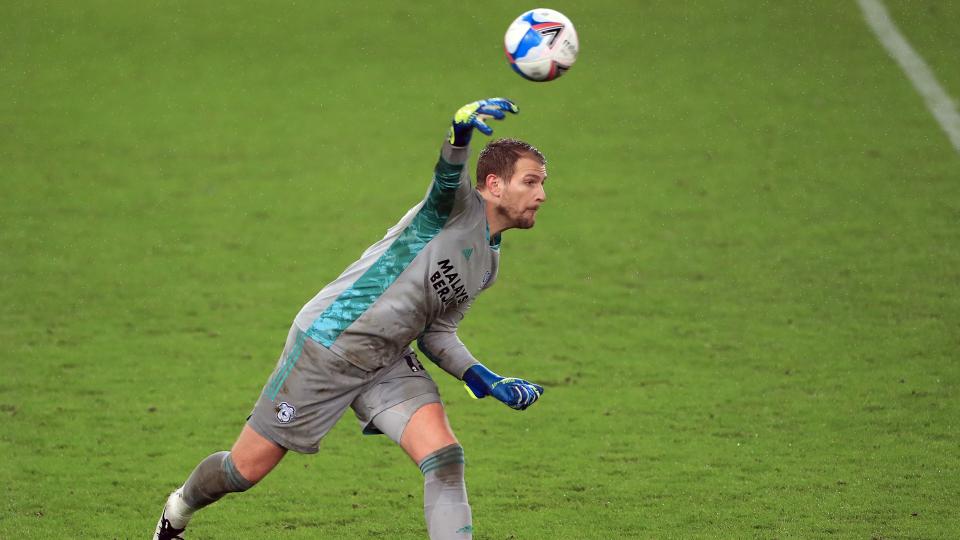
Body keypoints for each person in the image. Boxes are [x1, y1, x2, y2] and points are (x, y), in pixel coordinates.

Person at [153, 98, 548, 540]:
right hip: (331, 342)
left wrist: (484, 377)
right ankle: (177, 510)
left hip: (387, 359)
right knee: (244, 470)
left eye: (542, 184)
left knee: (445, 458)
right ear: (494, 184)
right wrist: (459, 134)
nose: (541, 195)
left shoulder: (489, 265)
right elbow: (446, 177)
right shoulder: (453, 210)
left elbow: (437, 333)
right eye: (530, 182)